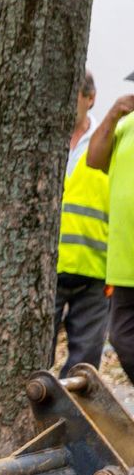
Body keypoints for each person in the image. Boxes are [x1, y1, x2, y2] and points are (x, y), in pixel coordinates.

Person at [52, 71, 109, 374]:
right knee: (33, 358)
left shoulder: (106, 142)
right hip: (46, 270)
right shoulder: (42, 141)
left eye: (73, 95)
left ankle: (72, 420)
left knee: (84, 364)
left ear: (90, 99)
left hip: (94, 269)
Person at [86, 72, 134, 383]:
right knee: (122, 337)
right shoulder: (126, 124)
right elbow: (94, 159)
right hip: (124, 259)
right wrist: (113, 114)